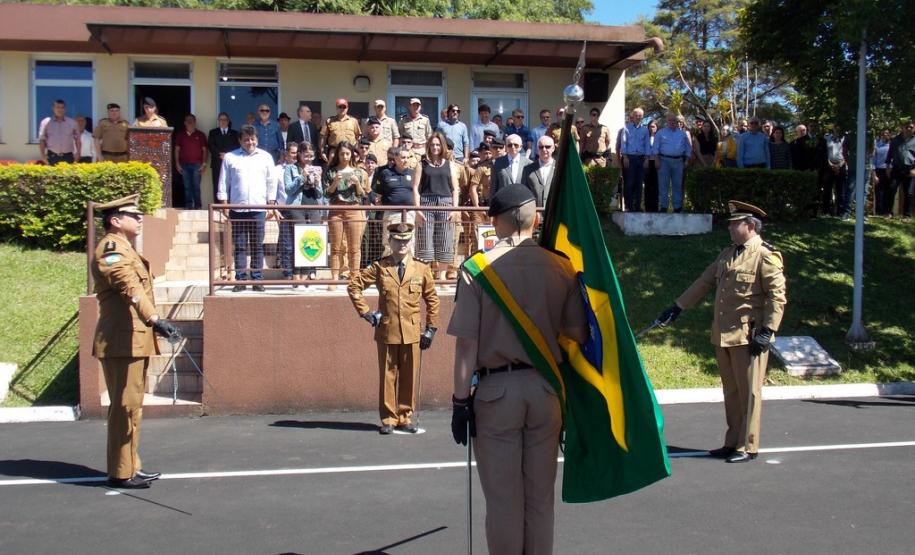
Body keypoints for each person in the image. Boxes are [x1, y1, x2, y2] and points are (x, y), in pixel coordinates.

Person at [448, 184, 588, 555]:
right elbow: (576, 334)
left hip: (497, 394)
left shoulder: (478, 269)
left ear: (496, 222)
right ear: (536, 219)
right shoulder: (562, 266)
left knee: (504, 500)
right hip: (546, 390)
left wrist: (460, 402)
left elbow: (466, 344)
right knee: (540, 498)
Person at [656, 201, 786, 464]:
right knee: (732, 392)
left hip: (749, 336)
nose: (729, 227)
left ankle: (747, 445)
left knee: (749, 392)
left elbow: (777, 296)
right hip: (724, 334)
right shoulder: (728, 254)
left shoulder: (766, 255)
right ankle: (731, 441)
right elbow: (704, 281)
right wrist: (678, 307)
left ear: (750, 226)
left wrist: (768, 330)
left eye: (734, 223)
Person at [92, 194, 181, 489]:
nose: (140, 218)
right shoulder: (111, 248)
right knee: (124, 407)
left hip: (133, 339)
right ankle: (120, 472)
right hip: (121, 340)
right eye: (134, 214)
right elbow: (127, 285)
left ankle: (130, 465)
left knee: (133, 406)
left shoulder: (126, 248)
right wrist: (154, 319)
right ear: (115, 221)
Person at [348, 222, 440, 434]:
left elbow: (432, 299)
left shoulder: (421, 268)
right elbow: (354, 286)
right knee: (388, 376)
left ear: (411, 242)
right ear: (389, 241)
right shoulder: (381, 267)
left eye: (406, 240)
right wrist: (365, 312)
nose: (402, 244)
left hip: (412, 331)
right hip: (387, 330)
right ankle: (389, 418)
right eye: (397, 241)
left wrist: (431, 328)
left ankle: (405, 416)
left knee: (410, 375)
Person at [216, 124, 278, 292]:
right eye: (246, 140)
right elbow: (224, 180)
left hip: (258, 208)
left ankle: (257, 279)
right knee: (240, 245)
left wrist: (271, 203)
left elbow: (271, 181)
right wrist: (223, 202)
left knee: (257, 245)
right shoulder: (231, 157)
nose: (250, 142)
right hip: (238, 208)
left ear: (257, 139)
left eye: (252, 139)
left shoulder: (265, 157)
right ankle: (241, 280)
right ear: (240, 141)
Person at [412, 132, 460, 282]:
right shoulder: (422, 164)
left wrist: (454, 209)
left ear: (442, 146)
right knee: (425, 242)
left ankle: (443, 277)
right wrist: (418, 209)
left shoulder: (450, 164)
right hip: (426, 204)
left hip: (446, 204)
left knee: (445, 241)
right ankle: (426, 277)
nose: (435, 147)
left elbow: (455, 189)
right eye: (432, 144)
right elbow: (415, 188)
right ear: (428, 146)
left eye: (438, 144)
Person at [324, 141, 369, 288]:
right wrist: (335, 182)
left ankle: (355, 277)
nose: (344, 156)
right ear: (338, 154)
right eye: (342, 153)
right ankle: (335, 278)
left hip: (353, 209)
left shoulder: (359, 171)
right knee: (336, 246)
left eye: (347, 153)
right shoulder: (331, 170)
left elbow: (363, 194)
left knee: (354, 246)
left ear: (352, 155)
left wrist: (357, 183)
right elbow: (327, 193)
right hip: (336, 209)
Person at [280, 142, 323, 285]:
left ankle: (309, 272)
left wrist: (317, 182)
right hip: (297, 207)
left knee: (312, 240)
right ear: (299, 154)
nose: (309, 159)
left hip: (313, 206)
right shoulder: (291, 169)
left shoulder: (316, 168)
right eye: (306, 156)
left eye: (312, 156)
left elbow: (321, 193)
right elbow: (288, 189)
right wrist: (301, 177)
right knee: (299, 240)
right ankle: (296, 273)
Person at [651, 111, 692, 213]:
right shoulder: (661, 133)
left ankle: (677, 207)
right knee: (663, 185)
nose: (672, 122)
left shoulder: (682, 134)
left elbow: (688, 148)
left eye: (674, 120)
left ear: (677, 121)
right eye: (670, 120)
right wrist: (656, 160)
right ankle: (663, 206)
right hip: (663, 161)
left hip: (678, 161)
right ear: (667, 121)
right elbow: (655, 147)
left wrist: (686, 160)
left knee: (677, 185)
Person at [174, 114, 208, 209]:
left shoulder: (201, 135)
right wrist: (177, 164)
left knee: (196, 187)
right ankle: (189, 206)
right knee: (187, 187)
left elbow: (205, 150)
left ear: (195, 122)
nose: (189, 122)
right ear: (184, 123)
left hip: (197, 165)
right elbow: (177, 150)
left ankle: (198, 206)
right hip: (184, 165)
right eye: (187, 120)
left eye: (191, 120)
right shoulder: (180, 135)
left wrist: (204, 164)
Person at [621, 108, 650, 211]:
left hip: (641, 158)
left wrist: (647, 159)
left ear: (642, 117)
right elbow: (623, 143)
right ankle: (629, 206)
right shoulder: (626, 128)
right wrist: (625, 157)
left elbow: (647, 145)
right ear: (632, 116)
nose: (638, 117)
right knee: (629, 183)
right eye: (636, 115)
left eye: (640, 116)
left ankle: (637, 206)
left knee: (639, 183)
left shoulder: (645, 130)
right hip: (630, 158)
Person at [207, 112, 240, 204]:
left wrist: (227, 155)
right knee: (217, 183)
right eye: (221, 119)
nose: (223, 121)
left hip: (230, 162)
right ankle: (217, 205)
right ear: (218, 121)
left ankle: (230, 204)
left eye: (225, 120)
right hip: (217, 162)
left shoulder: (234, 133)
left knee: (231, 183)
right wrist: (219, 154)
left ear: (228, 121)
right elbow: (210, 145)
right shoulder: (213, 132)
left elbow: (237, 146)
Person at [886, 120, 915, 218]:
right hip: (896, 169)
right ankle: (888, 213)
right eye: (907, 127)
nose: (909, 129)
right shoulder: (895, 140)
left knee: (909, 193)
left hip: (910, 170)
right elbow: (889, 154)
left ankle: (907, 215)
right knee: (891, 189)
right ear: (902, 128)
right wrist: (888, 167)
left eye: (911, 127)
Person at [491, 133, 534, 199]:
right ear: (506, 147)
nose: (513, 147)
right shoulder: (497, 163)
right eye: (510, 145)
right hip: (504, 203)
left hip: (522, 202)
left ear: (521, 147)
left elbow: (531, 187)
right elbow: (494, 188)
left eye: (516, 145)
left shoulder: (529, 163)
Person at [38, 99, 80, 165]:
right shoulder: (46, 122)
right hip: (52, 156)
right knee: (52, 175)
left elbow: (77, 139)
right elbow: (42, 140)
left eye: (62, 107)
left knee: (68, 175)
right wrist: (43, 155)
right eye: (57, 107)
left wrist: (78, 153)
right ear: (53, 108)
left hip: (68, 156)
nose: (60, 110)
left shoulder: (72, 123)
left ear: (65, 109)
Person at [320, 98, 362, 162]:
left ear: (347, 108)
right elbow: (323, 137)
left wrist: (357, 151)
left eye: (344, 107)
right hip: (334, 151)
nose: (342, 109)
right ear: (336, 108)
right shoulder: (329, 121)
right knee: (333, 171)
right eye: (340, 107)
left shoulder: (353, 121)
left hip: (349, 151)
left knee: (350, 170)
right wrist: (322, 151)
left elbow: (358, 136)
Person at [523, 135, 557, 207]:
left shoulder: (559, 167)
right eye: (541, 147)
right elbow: (524, 194)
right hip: (534, 213)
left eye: (547, 147)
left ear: (553, 148)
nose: (544, 149)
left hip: (554, 212)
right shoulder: (528, 169)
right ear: (537, 149)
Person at [872, 129, 892, 216]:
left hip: (890, 170)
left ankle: (887, 211)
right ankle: (879, 212)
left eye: (887, 134)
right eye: (883, 134)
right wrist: (874, 175)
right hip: (879, 170)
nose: (885, 135)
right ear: (881, 135)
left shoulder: (892, 145)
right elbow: (873, 161)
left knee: (889, 191)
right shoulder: (876, 145)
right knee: (879, 192)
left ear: (889, 135)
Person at [644, 120, 660, 212]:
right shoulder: (646, 137)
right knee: (647, 185)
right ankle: (647, 207)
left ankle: (655, 207)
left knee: (656, 185)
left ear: (657, 127)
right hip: (647, 162)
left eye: (653, 126)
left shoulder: (660, 137)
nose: (652, 128)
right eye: (650, 126)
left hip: (657, 163)